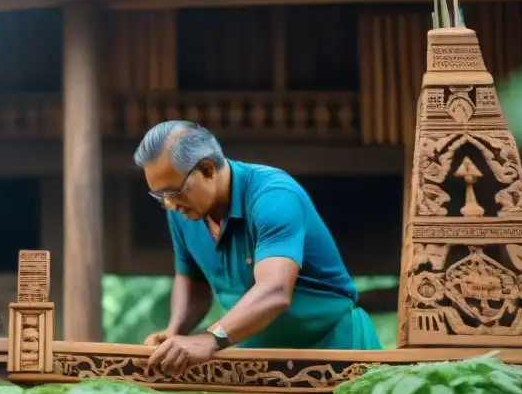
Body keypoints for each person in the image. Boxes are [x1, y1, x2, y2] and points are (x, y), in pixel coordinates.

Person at [134, 121, 381, 377]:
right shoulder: (182, 213)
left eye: (174, 191)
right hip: (259, 360)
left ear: (207, 170)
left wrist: (209, 339)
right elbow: (193, 282)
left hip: (339, 352)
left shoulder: (274, 196)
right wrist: (175, 333)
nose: (170, 204)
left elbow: (275, 290)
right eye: (160, 196)